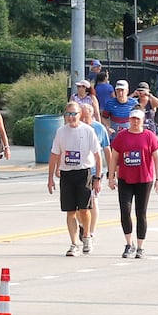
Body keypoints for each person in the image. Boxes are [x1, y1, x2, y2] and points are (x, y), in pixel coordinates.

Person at [48, 101, 100, 256]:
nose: (71, 117)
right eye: (68, 114)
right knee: (70, 211)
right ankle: (74, 243)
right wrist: (50, 178)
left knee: (84, 210)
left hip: (84, 173)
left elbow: (98, 155)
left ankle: (87, 236)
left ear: (80, 114)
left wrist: (98, 177)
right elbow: (54, 155)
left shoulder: (88, 131)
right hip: (67, 174)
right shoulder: (61, 132)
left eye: (74, 114)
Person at [110, 108, 158, 259]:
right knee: (125, 211)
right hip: (125, 178)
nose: (135, 122)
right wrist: (111, 177)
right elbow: (114, 157)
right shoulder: (121, 136)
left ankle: (140, 246)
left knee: (141, 213)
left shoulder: (149, 136)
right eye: (132, 119)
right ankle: (129, 243)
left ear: (142, 120)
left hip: (144, 179)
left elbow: (157, 158)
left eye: (138, 119)